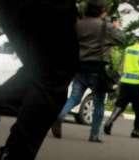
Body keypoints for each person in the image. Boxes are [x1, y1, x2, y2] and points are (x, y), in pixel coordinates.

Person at [0, 0, 78, 160]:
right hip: (50, 7)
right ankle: (15, 159)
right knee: (54, 76)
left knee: (40, 68)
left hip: (10, 6)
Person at [52, 0, 125, 142]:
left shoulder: (78, 24)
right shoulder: (105, 26)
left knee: (74, 97)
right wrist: (115, 27)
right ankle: (94, 135)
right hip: (98, 69)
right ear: (102, 10)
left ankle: (59, 116)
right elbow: (122, 40)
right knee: (98, 102)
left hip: (79, 67)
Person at [103, 28, 139, 140]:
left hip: (125, 82)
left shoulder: (128, 49)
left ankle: (109, 122)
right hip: (138, 84)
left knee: (120, 104)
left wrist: (119, 81)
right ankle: (136, 131)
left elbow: (122, 66)